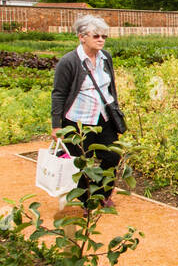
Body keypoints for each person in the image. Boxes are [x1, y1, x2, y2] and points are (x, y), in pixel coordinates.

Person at [51, 15, 124, 211]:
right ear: (82, 37)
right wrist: (56, 125)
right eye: (96, 36)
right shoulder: (69, 62)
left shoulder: (105, 57)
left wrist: (115, 107)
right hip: (78, 122)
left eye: (104, 36)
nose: (101, 39)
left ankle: (102, 194)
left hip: (104, 119)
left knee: (113, 156)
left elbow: (110, 87)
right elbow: (59, 94)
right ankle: (85, 201)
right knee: (81, 164)